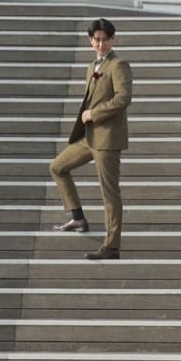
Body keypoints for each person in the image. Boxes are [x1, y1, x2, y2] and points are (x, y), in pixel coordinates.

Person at [49, 17, 132, 261]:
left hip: (107, 139)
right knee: (57, 167)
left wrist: (94, 114)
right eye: (97, 39)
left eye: (105, 39)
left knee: (109, 193)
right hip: (88, 136)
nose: (101, 44)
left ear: (113, 39)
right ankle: (77, 217)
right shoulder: (91, 66)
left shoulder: (118, 65)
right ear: (90, 40)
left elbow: (123, 97)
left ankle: (112, 246)